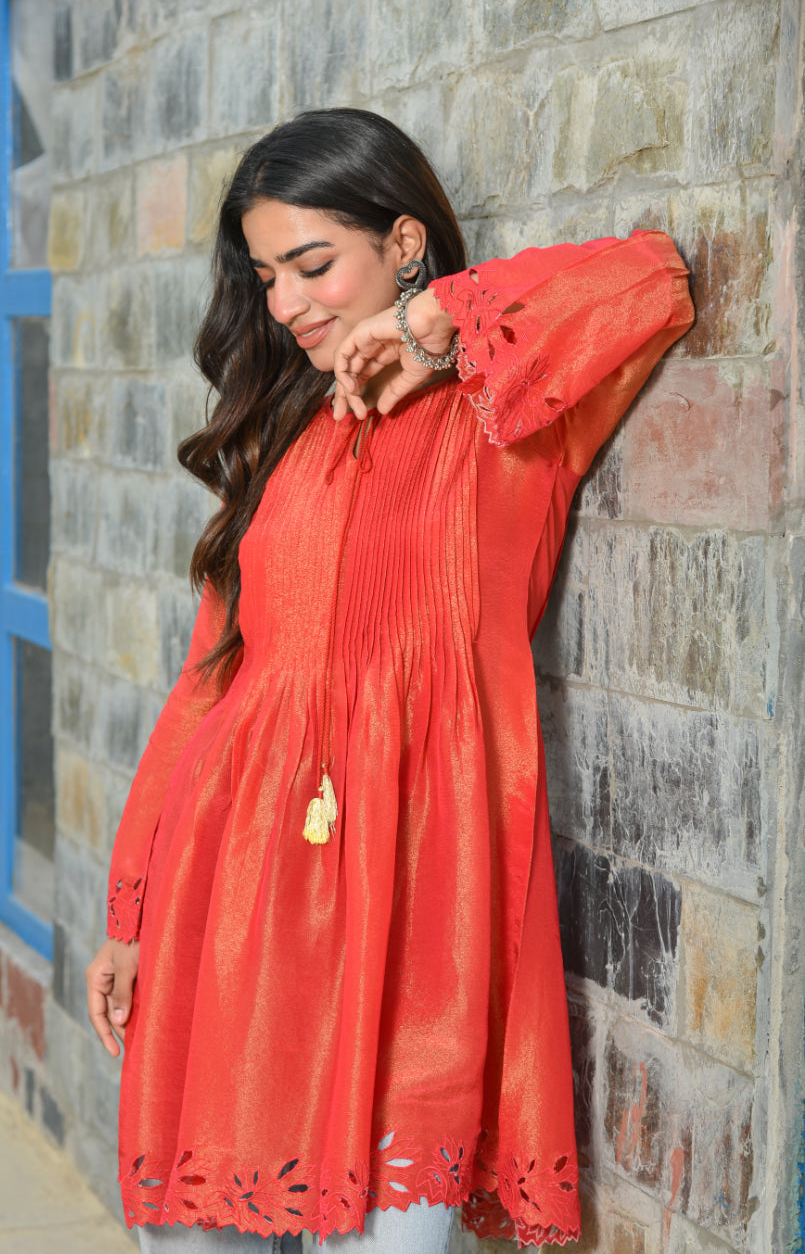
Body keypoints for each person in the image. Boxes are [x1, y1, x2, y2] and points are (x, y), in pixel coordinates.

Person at [85, 108, 694, 1253]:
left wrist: (433, 327)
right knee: (194, 1237)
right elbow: (205, 688)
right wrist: (129, 913)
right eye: (265, 276)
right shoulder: (275, 434)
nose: (285, 305)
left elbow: (651, 281)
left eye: (313, 265)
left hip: (423, 902)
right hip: (231, 896)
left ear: (406, 241)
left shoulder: (510, 408)